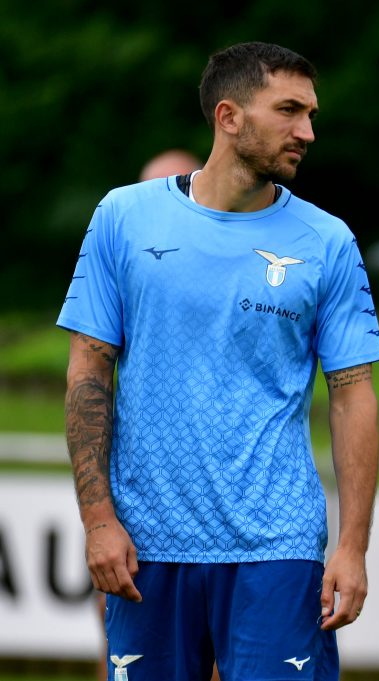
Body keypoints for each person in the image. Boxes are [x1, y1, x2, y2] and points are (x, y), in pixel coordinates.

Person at [59, 41, 379, 680]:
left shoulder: (328, 241)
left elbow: (353, 395)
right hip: (147, 545)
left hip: (279, 546)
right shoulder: (123, 217)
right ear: (228, 117)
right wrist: (98, 521)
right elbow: (88, 372)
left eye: (310, 114)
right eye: (288, 110)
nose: (307, 132)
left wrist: (352, 547)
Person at [89, 147, 205, 681]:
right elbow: (88, 376)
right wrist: (100, 517)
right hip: (138, 505)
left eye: (176, 186)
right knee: (121, 645)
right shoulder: (121, 257)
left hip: (236, 518)